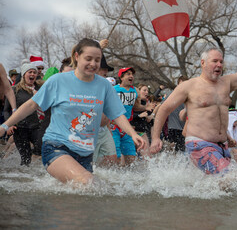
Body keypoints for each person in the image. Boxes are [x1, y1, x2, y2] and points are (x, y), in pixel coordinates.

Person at [0, 38, 145, 185]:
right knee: (87, 183)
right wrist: (4, 126)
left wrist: (133, 134)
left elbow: (117, 114)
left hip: (86, 153)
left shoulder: (104, 86)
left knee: (79, 200)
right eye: (88, 59)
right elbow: (31, 105)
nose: (93, 64)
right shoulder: (58, 81)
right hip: (56, 146)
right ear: (76, 57)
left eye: (97, 60)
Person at [150, 34, 237, 174]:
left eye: (221, 62)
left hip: (221, 145)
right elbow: (164, 109)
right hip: (199, 143)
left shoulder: (226, 83)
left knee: (225, 186)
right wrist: (156, 138)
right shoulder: (189, 86)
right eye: (215, 61)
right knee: (231, 178)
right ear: (203, 63)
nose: (219, 65)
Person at [3, 63, 42, 166]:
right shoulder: (15, 90)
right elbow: (6, 110)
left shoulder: (40, 88)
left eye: (34, 72)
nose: (32, 74)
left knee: (40, 150)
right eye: (30, 72)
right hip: (20, 128)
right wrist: (9, 125)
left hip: (36, 127)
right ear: (24, 75)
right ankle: (24, 176)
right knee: (25, 158)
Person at [112, 67, 141, 165]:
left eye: (132, 74)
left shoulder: (135, 91)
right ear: (121, 77)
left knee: (131, 157)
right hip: (114, 126)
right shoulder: (114, 89)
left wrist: (146, 107)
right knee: (117, 157)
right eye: (128, 74)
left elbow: (136, 106)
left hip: (127, 128)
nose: (131, 76)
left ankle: (129, 178)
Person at [167, 76, 188, 152]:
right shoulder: (172, 95)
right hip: (173, 128)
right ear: (177, 85)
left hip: (184, 129)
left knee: (182, 152)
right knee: (172, 151)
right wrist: (153, 114)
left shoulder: (190, 96)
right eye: (181, 84)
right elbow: (161, 107)